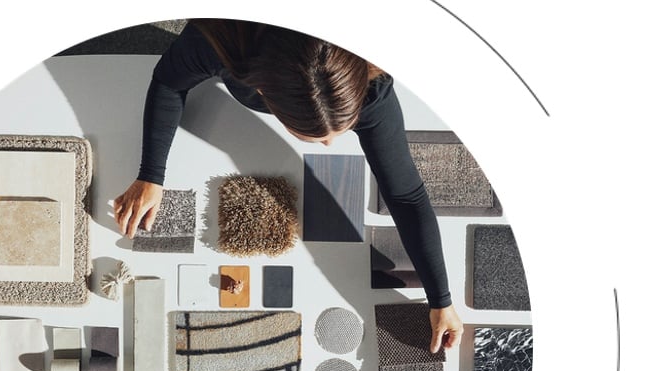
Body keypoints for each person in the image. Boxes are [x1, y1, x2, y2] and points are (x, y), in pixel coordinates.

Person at [113, 19, 463, 352]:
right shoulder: (224, 41)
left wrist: (441, 299)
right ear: (263, 93)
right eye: (316, 137)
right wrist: (151, 174)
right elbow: (170, 81)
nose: (329, 146)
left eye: (339, 131)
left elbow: (406, 196)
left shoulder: (373, 87)